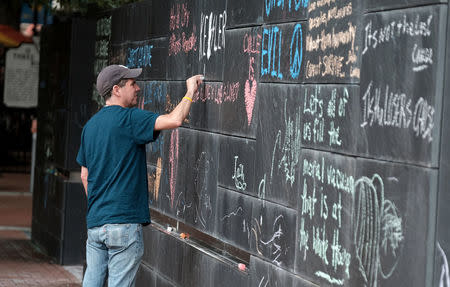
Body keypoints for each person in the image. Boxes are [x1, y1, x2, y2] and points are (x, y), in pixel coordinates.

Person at [76, 64, 203, 287]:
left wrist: (100, 209)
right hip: (124, 224)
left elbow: (84, 175)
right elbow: (174, 120)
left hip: (96, 224)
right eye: (132, 84)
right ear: (117, 89)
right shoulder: (130, 119)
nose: (138, 88)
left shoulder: (90, 127)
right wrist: (190, 91)